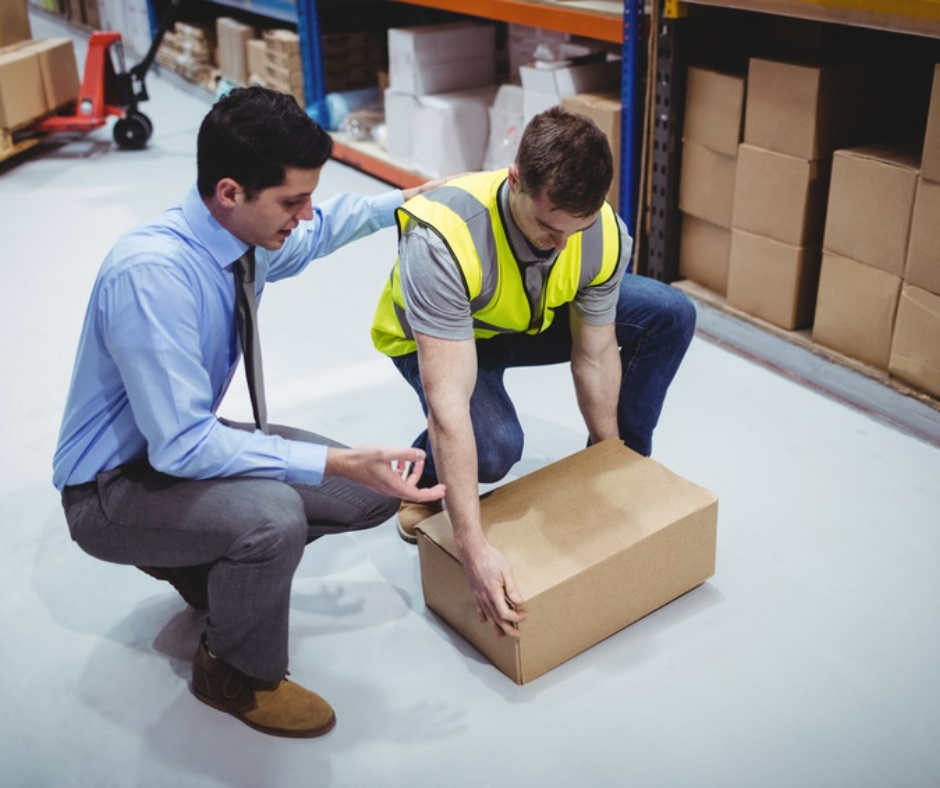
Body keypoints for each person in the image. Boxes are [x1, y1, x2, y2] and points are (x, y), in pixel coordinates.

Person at [53, 86, 446, 739]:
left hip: (169, 449)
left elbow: (322, 234)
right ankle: (235, 669)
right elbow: (181, 448)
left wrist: (405, 204)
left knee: (365, 496)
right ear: (231, 192)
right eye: (293, 201)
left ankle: (206, 566)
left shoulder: (245, 238)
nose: (305, 214)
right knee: (274, 516)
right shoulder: (153, 274)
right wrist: (331, 457)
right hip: (112, 489)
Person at [372, 105, 696, 641]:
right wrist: (471, 548)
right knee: (493, 447)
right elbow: (449, 400)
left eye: (579, 228)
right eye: (548, 226)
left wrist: (605, 462)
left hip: (526, 315)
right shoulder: (444, 237)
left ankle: (626, 466)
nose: (563, 244)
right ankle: (424, 480)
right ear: (515, 180)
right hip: (441, 337)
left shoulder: (601, 233)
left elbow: (594, 353)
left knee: (668, 314)